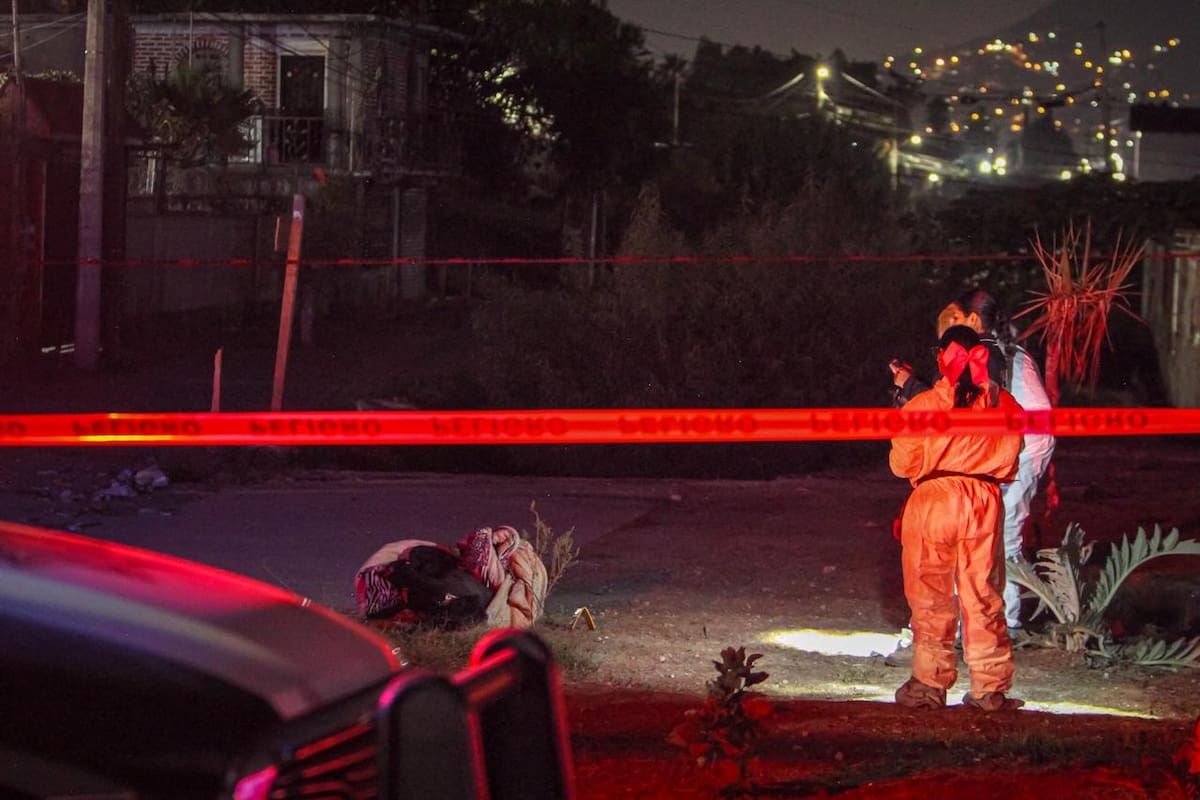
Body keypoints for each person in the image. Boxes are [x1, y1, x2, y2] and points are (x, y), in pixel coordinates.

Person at [890, 288, 1055, 637]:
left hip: (1005, 457)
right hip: (1011, 454)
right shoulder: (1007, 352)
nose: (947, 328)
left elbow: (958, 407)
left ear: (973, 320)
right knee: (994, 539)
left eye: (954, 319)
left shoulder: (984, 355)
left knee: (986, 542)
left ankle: (989, 626)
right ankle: (990, 626)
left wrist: (910, 387)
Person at [890, 325, 1024, 711]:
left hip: (933, 501)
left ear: (940, 358)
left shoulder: (922, 407)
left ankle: (929, 684)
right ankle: (990, 688)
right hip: (984, 501)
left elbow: (901, 465)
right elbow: (1012, 459)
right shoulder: (1005, 404)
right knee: (984, 596)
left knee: (930, 595)